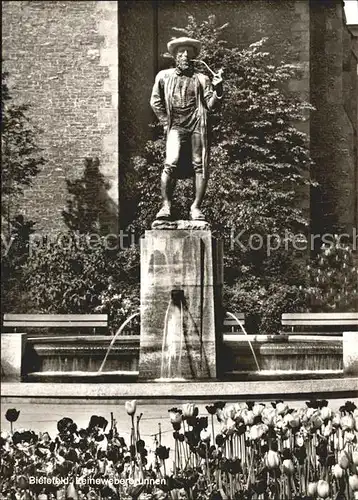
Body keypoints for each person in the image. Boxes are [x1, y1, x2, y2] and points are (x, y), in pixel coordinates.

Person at [150, 36, 223, 221]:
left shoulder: (202, 78)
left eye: (188, 53)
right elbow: (155, 101)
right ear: (175, 56)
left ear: (193, 57)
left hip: (196, 125)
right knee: (170, 163)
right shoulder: (163, 76)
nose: (185, 56)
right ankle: (166, 206)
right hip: (175, 126)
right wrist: (165, 122)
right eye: (181, 52)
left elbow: (210, 105)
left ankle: (196, 207)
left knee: (200, 166)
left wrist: (218, 90)